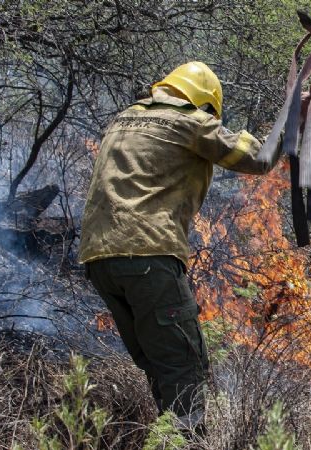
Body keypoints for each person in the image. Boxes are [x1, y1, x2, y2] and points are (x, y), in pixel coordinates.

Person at [78, 61, 282, 432]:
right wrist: (287, 123)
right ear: (202, 103)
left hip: (99, 258)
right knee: (184, 362)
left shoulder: (126, 117)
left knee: (158, 361)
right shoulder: (192, 122)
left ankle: (167, 433)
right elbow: (260, 159)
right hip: (147, 253)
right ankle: (188, 441)